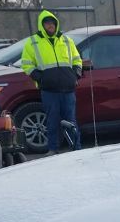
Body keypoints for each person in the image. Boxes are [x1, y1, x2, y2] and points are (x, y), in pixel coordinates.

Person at [21, 10, 83, 154]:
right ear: (42, 25)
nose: (50, 26)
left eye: (52, 23)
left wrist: (76, 75)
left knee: (71, 121)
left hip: (68, 89)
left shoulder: (67, 40)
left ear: (56, 24)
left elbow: (77, 59)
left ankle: (76, 148)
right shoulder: (32, 42)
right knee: (52, 121)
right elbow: (26, 64)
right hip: (49, 90)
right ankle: (53, 149)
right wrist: (39, 77)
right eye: (47, 23)